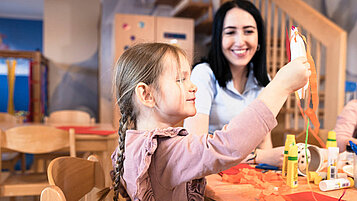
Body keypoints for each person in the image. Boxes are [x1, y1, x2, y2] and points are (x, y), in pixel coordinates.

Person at [104, 42, 308, 201]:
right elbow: (228, 147)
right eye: (180, 79)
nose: (193, 86)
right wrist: (282, 86)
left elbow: (219, 149)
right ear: (146, 95)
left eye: (189, 78)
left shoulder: (137, 143)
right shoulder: (162, 150)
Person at [184, 0, 284, 167]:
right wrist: (259, 157)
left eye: (248, 31)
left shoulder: (262, 79)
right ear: (218, 38)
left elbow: (264, 142)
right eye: (230, 32)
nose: (240, 41)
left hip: (247, 176)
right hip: (210, 174)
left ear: (259, 37)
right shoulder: (204, 74)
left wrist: (270, 166)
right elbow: (196, 148)